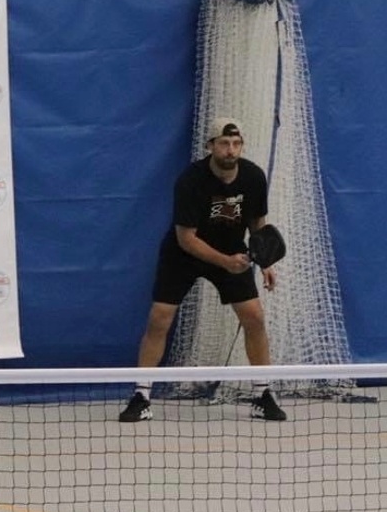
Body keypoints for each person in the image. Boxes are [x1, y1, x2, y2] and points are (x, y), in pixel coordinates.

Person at [119, 116, 288, 423]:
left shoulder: (253, 177)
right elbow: (186, 239)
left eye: (236, 144)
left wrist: (266, 262)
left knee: (254, 317)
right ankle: (141, 396)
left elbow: (258, 225)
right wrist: (227, 262)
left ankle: (263, 394)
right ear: (211, 146)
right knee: (159, 318)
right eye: (224, 144)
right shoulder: (190, 181)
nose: (231, 150)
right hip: (185, 253)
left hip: (231, 250)